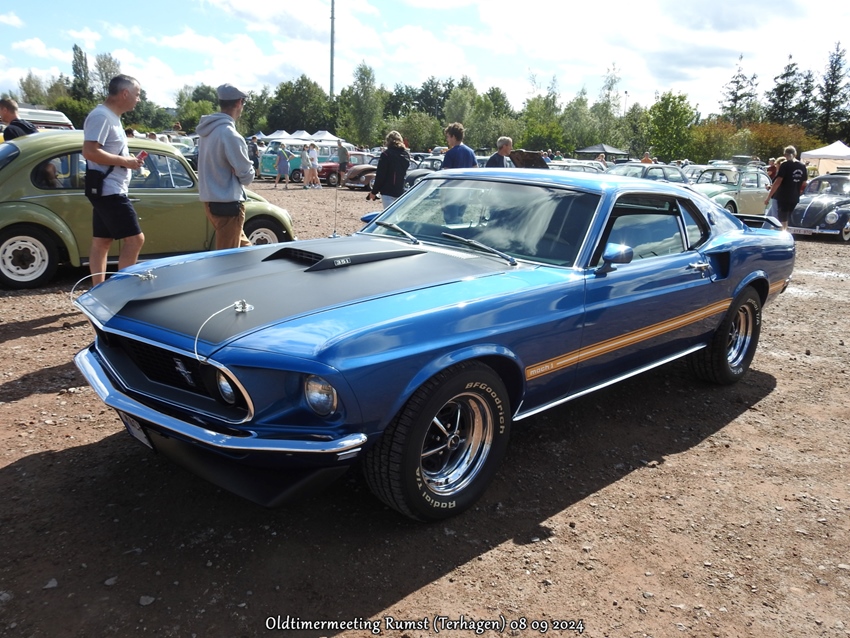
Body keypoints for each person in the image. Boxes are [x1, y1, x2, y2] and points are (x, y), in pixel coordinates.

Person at [82, 74, 146, 285]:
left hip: (106, 189)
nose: (138, 99)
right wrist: (126, 162)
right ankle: (123, 291)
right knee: (135, 240)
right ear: (125, 93)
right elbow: (90, 151)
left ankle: (98, 291)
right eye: (137, 94)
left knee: (102, 241)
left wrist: (128, 161)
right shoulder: (102, 116)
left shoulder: (110, 117)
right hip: (110, 190)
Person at [196, 83, 255, 250]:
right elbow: (247, 177)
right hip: (227, 203)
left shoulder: (207, 131)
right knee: (228, 257)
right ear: (239, 102)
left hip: (211, 201)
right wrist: (241, 170)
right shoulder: (230, 134)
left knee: (245, 249)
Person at [765, 146, 807, 231]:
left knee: (781, 219)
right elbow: (804, 183)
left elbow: (778, 181)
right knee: (786, 218)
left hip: (783, 196)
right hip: (794, 197)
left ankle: (782, 235)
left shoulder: (785, 165)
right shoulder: (802, 166)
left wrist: (768, 197)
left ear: (785, 155)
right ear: (795, 154)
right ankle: (784, 232)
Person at [368, 130, 410, 209]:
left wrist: (374, 192)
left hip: (388, 192)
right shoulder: (406, 155)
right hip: (401, 190)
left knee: (389, 214)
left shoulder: (386, 155)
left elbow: (380, 175)